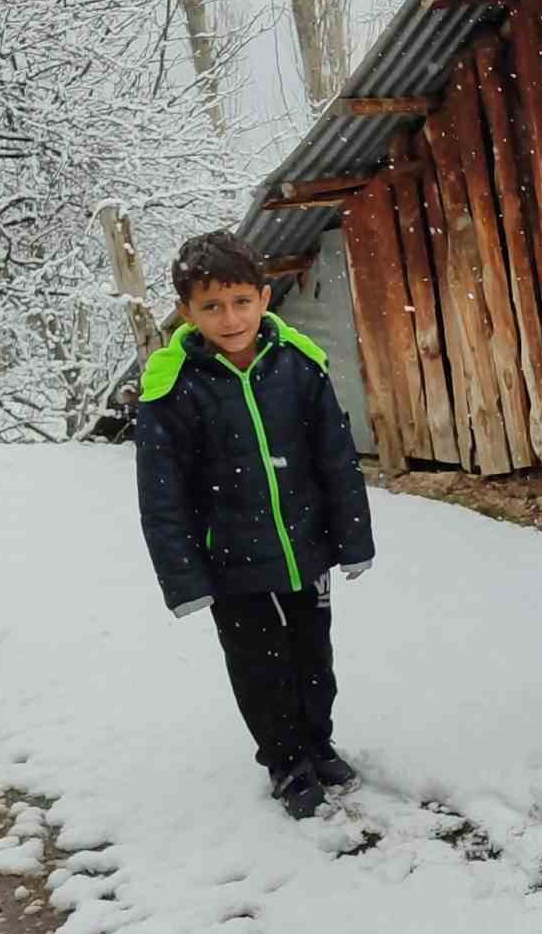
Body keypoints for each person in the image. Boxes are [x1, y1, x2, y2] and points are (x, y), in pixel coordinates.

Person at [135, 230, 375, 820]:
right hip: (231, 563)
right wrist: (185, 579)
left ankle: (318, 744)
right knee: (259, 665)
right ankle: (286, 762)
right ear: (187, 313)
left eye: (241, 301)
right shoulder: (173, 388)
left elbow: (336, 461)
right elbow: (161, 497)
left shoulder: (299, 366)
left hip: (306, 548)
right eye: (211, 306)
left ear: (264, 298)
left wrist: (352, 540)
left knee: (314, 658)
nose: (230, 317)